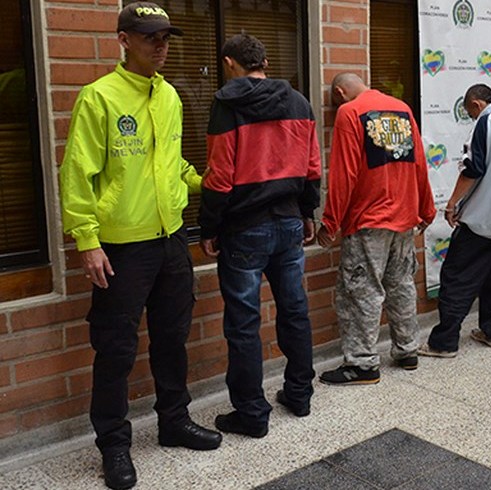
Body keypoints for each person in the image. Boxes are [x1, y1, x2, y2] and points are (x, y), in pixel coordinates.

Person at [59, 3, 221, 489]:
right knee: (115, 348)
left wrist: (207, 182)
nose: (161, 45)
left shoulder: (169, 95)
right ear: (124, 39)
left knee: (172, 338)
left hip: (171, 240)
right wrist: (87, 242)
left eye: (166, 37)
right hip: (121, 248)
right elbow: (77, 178)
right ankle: (113, 444)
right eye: (151, 37)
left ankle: (173, 421)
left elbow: (170, 166)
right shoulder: (99, 98)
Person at [198, 34, 321, 438]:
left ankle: (252, 414)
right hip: (288, 222)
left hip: (244, 227)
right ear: (265, 61)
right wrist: (307, 213)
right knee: (295, 310)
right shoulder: (300, 103)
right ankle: (300, 395)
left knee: (244, 324)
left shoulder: (227, 104)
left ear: (230, 62)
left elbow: (219, 175)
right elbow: (312, 167)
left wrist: (209, 227)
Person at [316, 73, 436, 385]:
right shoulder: (401, 109)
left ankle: (362, 364)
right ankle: (407, 349)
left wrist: (330, 222)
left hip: (369, 220)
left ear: (341, 93)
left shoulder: (350, 112)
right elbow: (419, 162)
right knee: (401, 285)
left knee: (360, 292)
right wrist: (426, 207)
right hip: (404, 216)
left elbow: (343, 173)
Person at [419, 84, 491, 357]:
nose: (471, 118)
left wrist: (452, 203)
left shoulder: (487, 121)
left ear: (477, 105)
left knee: (457, 278)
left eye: (470, 112)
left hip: (480, 219)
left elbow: (473, 168)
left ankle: (443, 342)